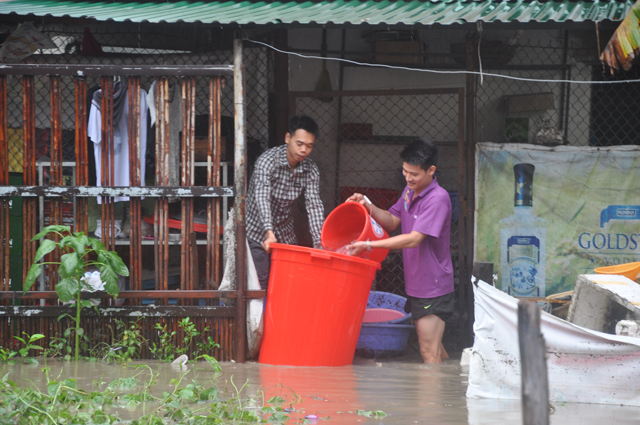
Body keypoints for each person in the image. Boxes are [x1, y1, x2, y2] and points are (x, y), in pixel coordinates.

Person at [346, 139, 454, 363]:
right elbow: (393, 220)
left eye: (413, 173)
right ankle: (451, 386)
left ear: (431, 170)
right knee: (433, 349)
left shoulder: (437, 199)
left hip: (432, 287)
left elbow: (414, 239)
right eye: (404, 171)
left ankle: (432, 399)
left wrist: (368, 245)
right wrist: (367, 204)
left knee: (427, 351)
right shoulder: (409, 190)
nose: (407, 177)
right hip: (418, 283)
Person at [245, 115, 325, 290]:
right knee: (260, 283)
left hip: (285, 231)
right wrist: (268, 232)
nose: (304, 150)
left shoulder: (310, 169)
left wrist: (320, 243)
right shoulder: (267, 161)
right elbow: (261, 197)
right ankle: (259, 318)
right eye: (299, 143)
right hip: (257, 230)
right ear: (288, 138)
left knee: (288, 281)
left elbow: (314, 205)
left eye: (309, 146)